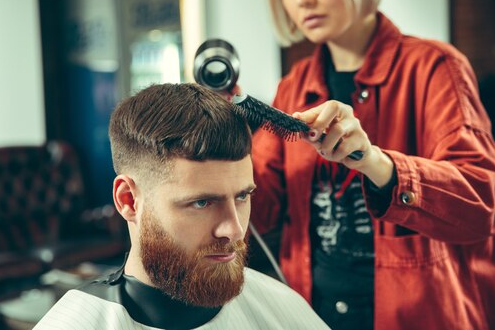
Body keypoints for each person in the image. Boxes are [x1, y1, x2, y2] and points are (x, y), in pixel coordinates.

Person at [249, 0, 495, 330]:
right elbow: (257, 209)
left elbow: (488, 200)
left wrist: (377, 164)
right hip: (312, 316)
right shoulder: (293, 87)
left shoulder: (434, 68)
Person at [33, 83, 331, 330]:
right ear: (128, 200)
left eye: (242, 196)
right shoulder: (77, 322)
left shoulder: (280, 307)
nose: (234, 229)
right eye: (201, 202)